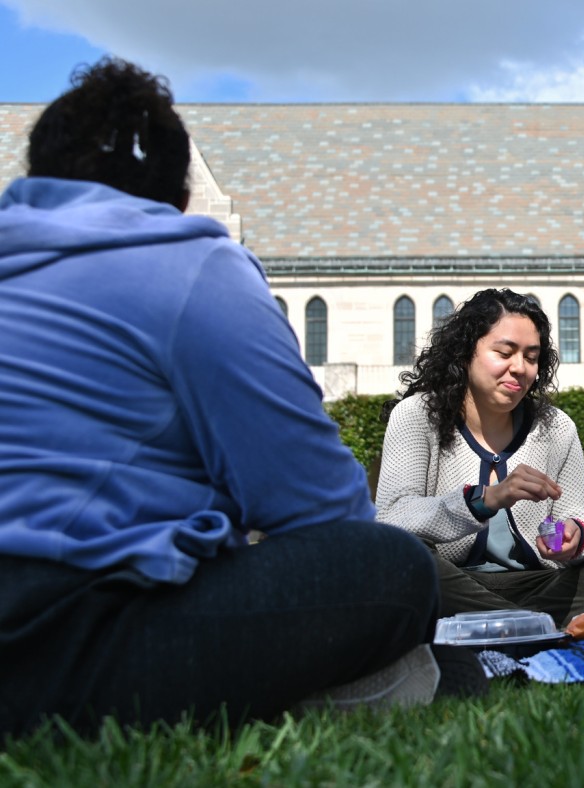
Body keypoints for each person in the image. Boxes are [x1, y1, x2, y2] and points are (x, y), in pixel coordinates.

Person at [0, 59, 446, 738]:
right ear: (181, 197)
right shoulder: (188, 262)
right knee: (391, 571)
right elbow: (322, 510)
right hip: (59, 636)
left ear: (37, 181)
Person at [376, 288, 584, 626]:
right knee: (391, 554)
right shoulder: (417, 415)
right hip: (451, 581)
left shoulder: (556, 428)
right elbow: (392, 517)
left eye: (530, 356)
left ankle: (505, 626)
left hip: (537, 585)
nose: (519, 368)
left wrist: (574, 538)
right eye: (504, 352)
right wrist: (484, 499)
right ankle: (532, 626)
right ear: (466, 351)